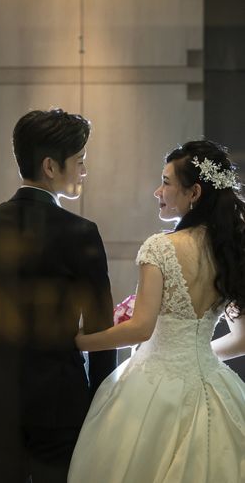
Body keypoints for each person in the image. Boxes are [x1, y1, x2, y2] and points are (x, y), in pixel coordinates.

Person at [68, 139, 245, 483]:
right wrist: (196, 355)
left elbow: (140, 328)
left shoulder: (161, 247)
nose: (157, 191)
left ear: (194, 193)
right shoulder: (233, 251)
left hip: (151, 386)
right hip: (213, 384)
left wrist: (79, 342)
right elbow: (241, 340)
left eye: (165, 182)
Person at [0, 108, 117, 483]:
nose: (84, 170)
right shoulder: (81, 232)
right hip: (60, 401)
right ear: (50, 166)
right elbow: (100, 328)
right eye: (79, 161)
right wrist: (99, 402)